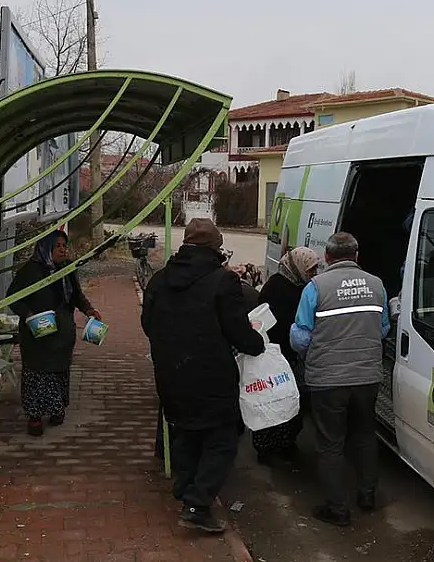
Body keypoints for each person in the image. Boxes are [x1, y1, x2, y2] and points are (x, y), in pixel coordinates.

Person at [141, 218, 265, 533]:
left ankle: (186, 491)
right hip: (211, 376)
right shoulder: (223, 282)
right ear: (216, 247)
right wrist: (256, 343)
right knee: (222, 440)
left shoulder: (159, 280)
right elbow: (238, 331)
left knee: (183, 432)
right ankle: (197, 505)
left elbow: (147, 324)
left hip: (170, 372)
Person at [290, 232, 390, 527]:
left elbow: (300, 337)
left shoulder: (315, 287)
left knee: (331, 444)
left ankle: (337, 508)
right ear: (356, 256)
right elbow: (382, 328)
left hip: (328, 381)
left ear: (328, 258)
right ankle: (367, 495)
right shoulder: (377, 285)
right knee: (363, 435)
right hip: (367, 377)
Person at [7, 229, 100, 437]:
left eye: (63, 246)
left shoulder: (66, 269)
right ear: (45, 248)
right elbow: (12, 297)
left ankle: (57, 410)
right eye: (57, 246)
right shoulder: (31, 271)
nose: (61, 249)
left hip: (62, 332)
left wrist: (89, 310)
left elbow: (76, 295)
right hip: (37, 334)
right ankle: (34, 416)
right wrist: (29, 314)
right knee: (37, 373)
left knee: (59, 372)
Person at [250, 247, 320, 463]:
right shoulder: (276, 288)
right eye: (310, 270)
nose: (313, 274)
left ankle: (286, 443)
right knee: (273, 403)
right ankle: (268, 449)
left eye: (315, 269)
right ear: (297, 267)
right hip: (274, 356)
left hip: (291, 356)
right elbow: (270, 324)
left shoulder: (301, 288)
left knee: (291, 403)